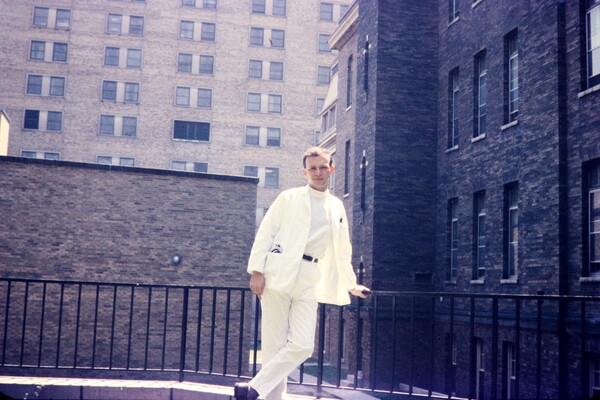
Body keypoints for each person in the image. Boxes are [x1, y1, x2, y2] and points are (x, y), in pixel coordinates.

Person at [234, 147, 370, 400]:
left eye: (322, 167)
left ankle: (252, 389)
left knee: (304, 345)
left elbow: (342, 249)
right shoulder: (289, 198)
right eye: (312, 169)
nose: (317, 173)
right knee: (274, 347)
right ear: (304, 172)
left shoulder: (336, 206)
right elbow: (266, 232)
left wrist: (351, 284)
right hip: (277, 276)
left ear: (331, 169)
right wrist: (257, 271)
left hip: (309, 279)